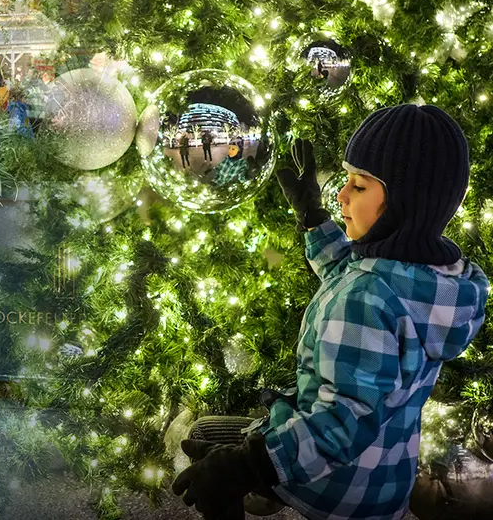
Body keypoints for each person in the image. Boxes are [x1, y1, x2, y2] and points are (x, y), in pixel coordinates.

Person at [172, 105, 489, 520]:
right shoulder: (433, 279)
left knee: (205, 438)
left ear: (404, 202)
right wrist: (314, 218)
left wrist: (246, 466)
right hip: (384, 479)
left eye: (358, 186)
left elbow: (341, 425)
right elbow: (351, 270)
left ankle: (269, 487)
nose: (340, 194)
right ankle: (267, 481)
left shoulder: (367, 299)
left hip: (337, 487)